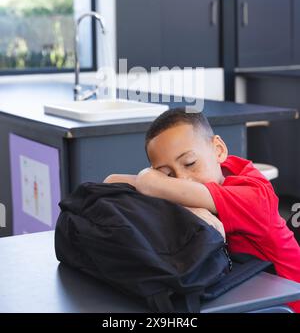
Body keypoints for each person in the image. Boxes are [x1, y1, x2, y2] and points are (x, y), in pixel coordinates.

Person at [104, 108, 300, 312]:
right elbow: (111, 181)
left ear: (219, 150)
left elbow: (149, 185)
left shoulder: (254, 196)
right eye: (167, 174)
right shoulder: (219, 173)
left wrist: (152, 179)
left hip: (284, 304)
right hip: (242, 290)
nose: (182, 180)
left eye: (189, 163)